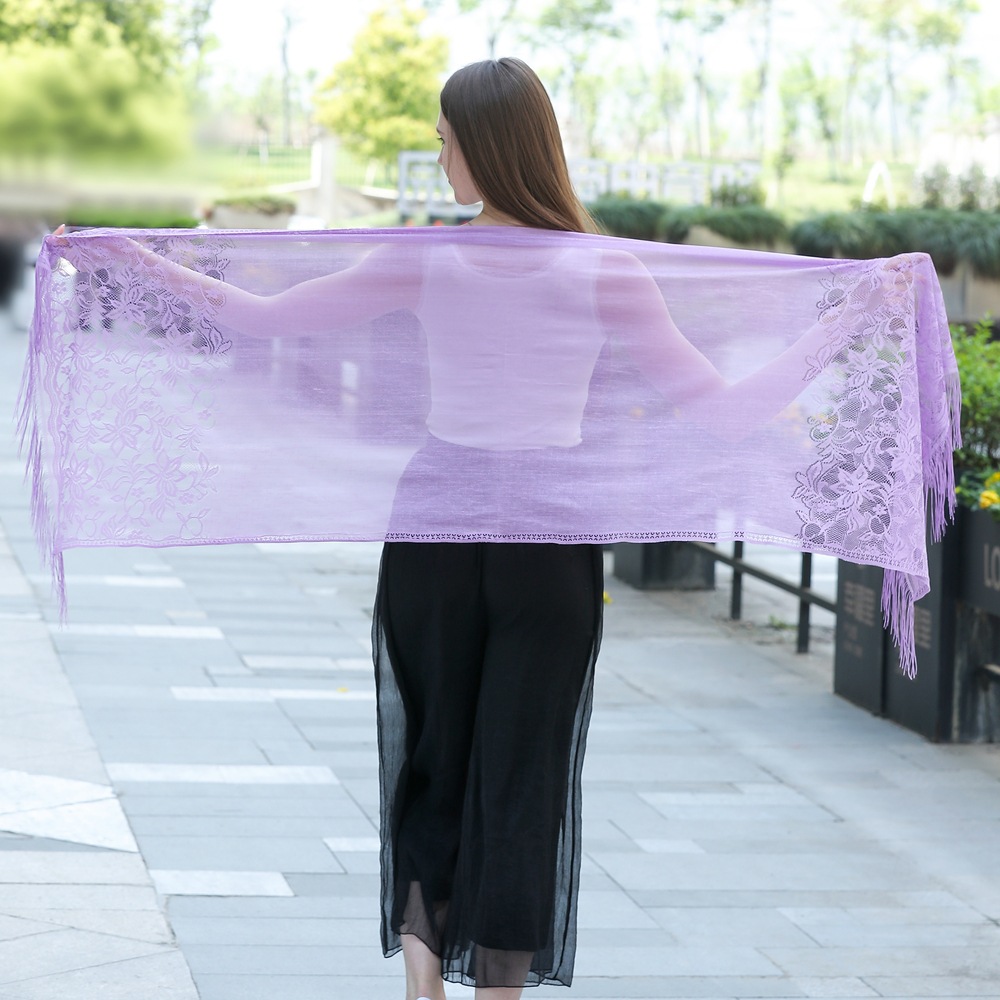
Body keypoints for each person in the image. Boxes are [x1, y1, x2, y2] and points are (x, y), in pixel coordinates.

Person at [52, 55, 846, 1000]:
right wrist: (845, 322)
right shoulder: (607, 269)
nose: (440, 160)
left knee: (432, 759)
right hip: (548, 548)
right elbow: (726, 411)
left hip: (435, 527)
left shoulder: (426, 259)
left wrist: (134, 259)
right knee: (522, 779)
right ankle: (496, 994)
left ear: (486, 147)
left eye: (445, 142)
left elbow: (264, 319)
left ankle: (422, 987)